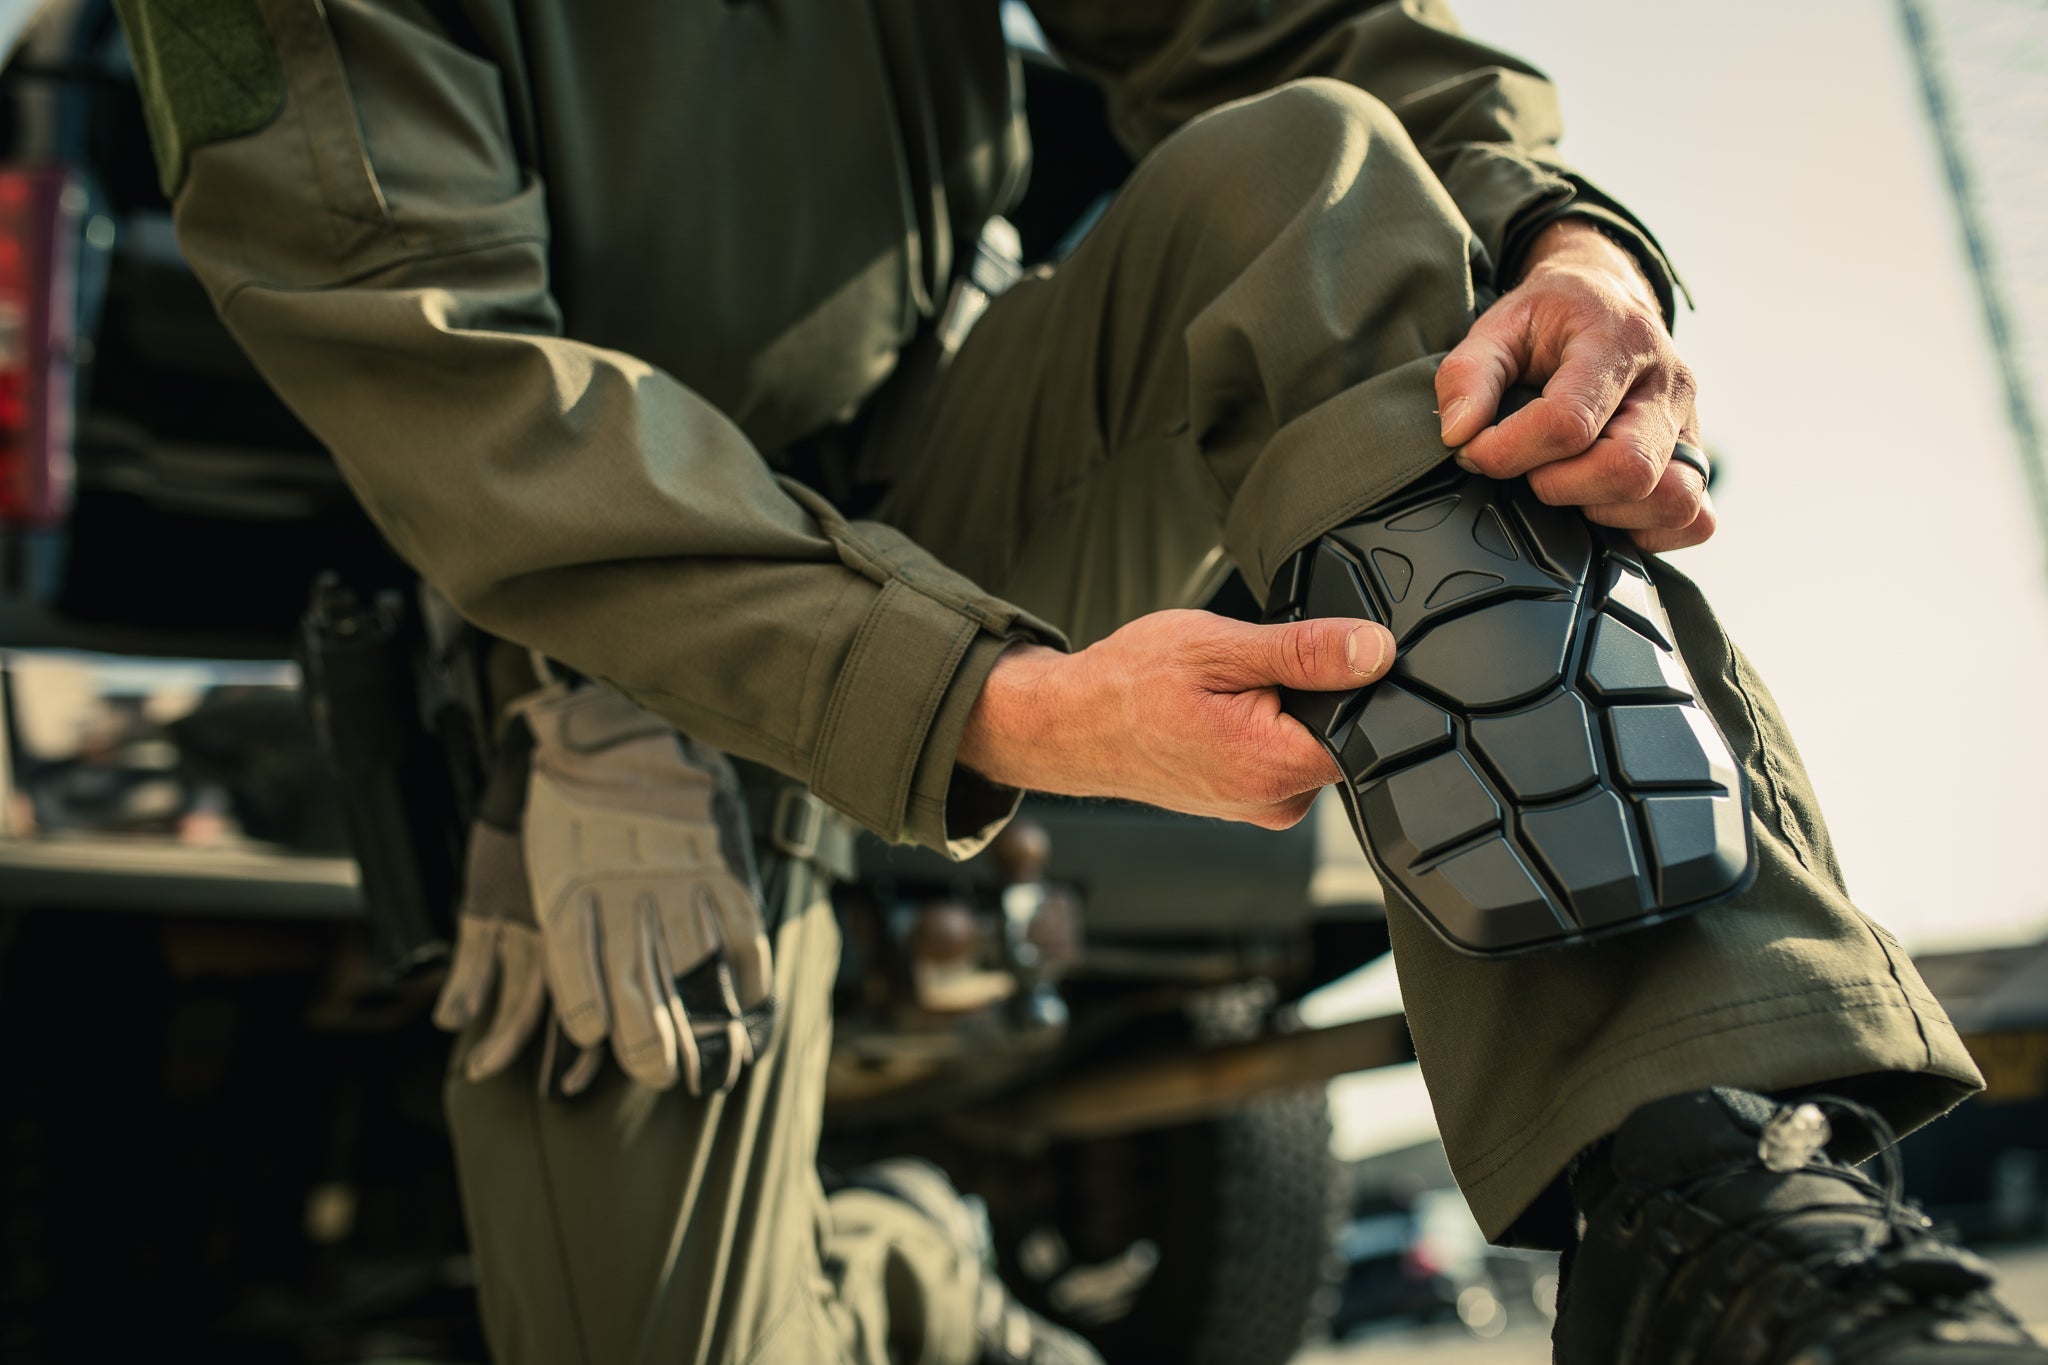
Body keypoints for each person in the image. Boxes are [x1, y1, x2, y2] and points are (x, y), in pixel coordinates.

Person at [113, 1, 2043, 1362]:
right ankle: (910, 1274)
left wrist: (1571, 237)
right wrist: (1003, 701)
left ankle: (1699, 1190)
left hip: (968, 476)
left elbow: (1298, 24)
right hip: (612, 643)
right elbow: (455, 384)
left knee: (1325, 176)